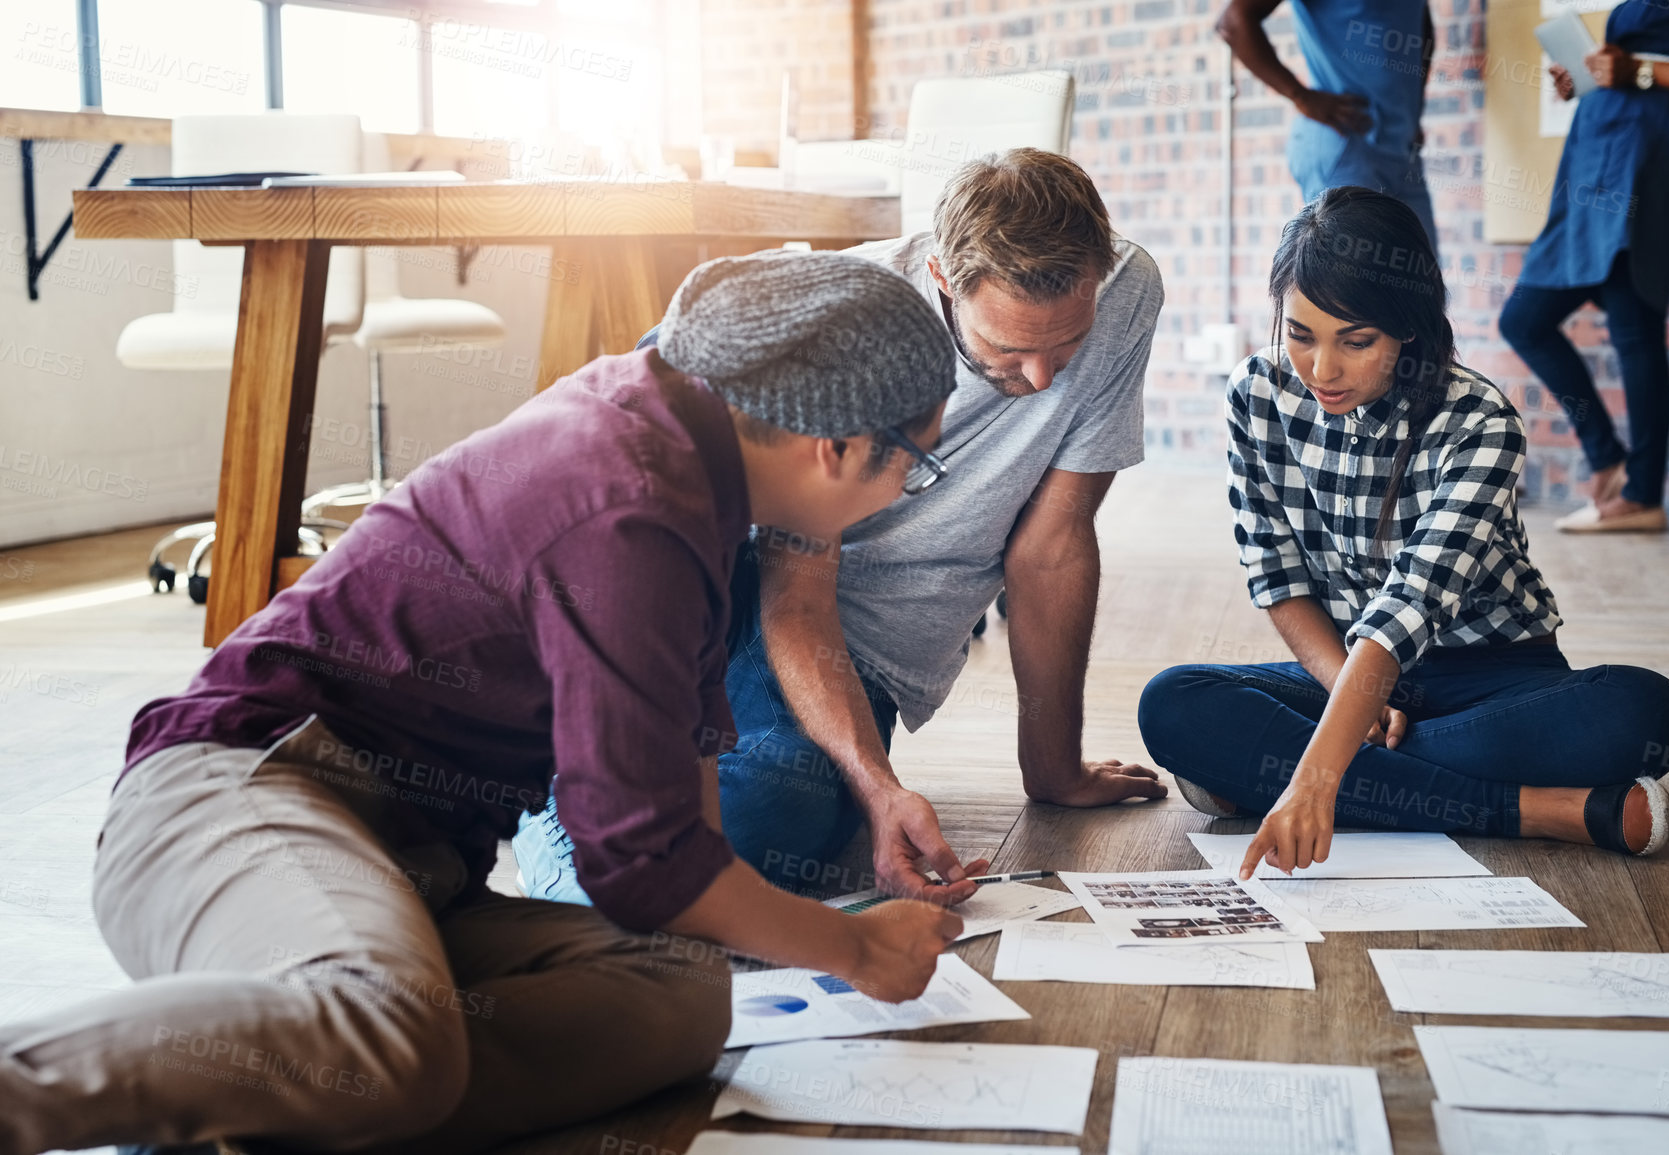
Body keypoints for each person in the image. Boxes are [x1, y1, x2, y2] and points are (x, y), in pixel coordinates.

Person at [0, 252, 967, 1155]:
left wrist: (734, 910)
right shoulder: (630, 504)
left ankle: (249, 1096)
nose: (904, 493)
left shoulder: (690, 454)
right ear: (837, 445)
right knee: (391, 1035)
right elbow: (638, 865)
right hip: (244, 792)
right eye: (912, 466)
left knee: (678, 994)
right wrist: (850, 945)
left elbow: (679, 814)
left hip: (406, 865)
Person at [514, 148, 1169, 912]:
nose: (1041, 380)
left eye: (1065, 346)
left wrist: (1052, 768)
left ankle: (605, 781)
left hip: (852, 656)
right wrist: (880, 784)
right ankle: (556, 813)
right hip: (741, 590)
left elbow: (1050, 545)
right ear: (941, 282)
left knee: (794, 814)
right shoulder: (859, 329)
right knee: (766, 814)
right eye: (1006, 349)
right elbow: (793, 592)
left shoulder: (1125, 292)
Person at [1138, 187, 1669, 882]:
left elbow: (1408, 607)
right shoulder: (1255, 394)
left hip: (1495, 680)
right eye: (1300, 333)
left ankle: (1279, 778)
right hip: (1347, 674)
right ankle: (1538, 810)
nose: (1322, 369)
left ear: (1407, 325)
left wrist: (1313, 775)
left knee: (1643, 714)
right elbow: (1276, 576)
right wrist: (1350, 698)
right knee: (1171, 703)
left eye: (1356, 339)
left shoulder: (1480, 421)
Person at [1498, 0, 1669, 533]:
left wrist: (1639, 71)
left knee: (1635, 322)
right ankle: (1609, 459)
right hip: (1599, 155)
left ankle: (1642, 495)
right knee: (1523, 320)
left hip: (1650, 158)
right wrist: (1586, 80)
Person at [1218, 0, 1438, 253]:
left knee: (1422, 283)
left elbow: (1419, 24)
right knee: (1347, 285)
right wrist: (1301, 96)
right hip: (1346, 145)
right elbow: (1233, 22)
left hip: (1402, 149)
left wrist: (1412, 107)